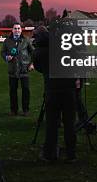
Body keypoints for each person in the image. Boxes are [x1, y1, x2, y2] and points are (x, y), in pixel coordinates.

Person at [32, 25, 77, 163]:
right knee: (70, 123)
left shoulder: (38, 52)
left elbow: (39, 68)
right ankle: (71, 154)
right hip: (69, 89)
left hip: (52, 90)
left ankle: (50, 153)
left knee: (52, 124)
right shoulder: (64, 46)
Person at [1, 23, 34, 116]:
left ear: (21, 30)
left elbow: (33, 52)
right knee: (12, 91)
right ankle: (13, 110)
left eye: (18, 28)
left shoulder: (26, 40)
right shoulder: (7, 41)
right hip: (12, 69)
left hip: (24, 69)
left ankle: (26, 110)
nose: (17, 30)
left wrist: (32, 64)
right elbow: (2, 52)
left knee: (26, 90)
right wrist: (6, 57)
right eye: (15, 28)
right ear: (12, 30)